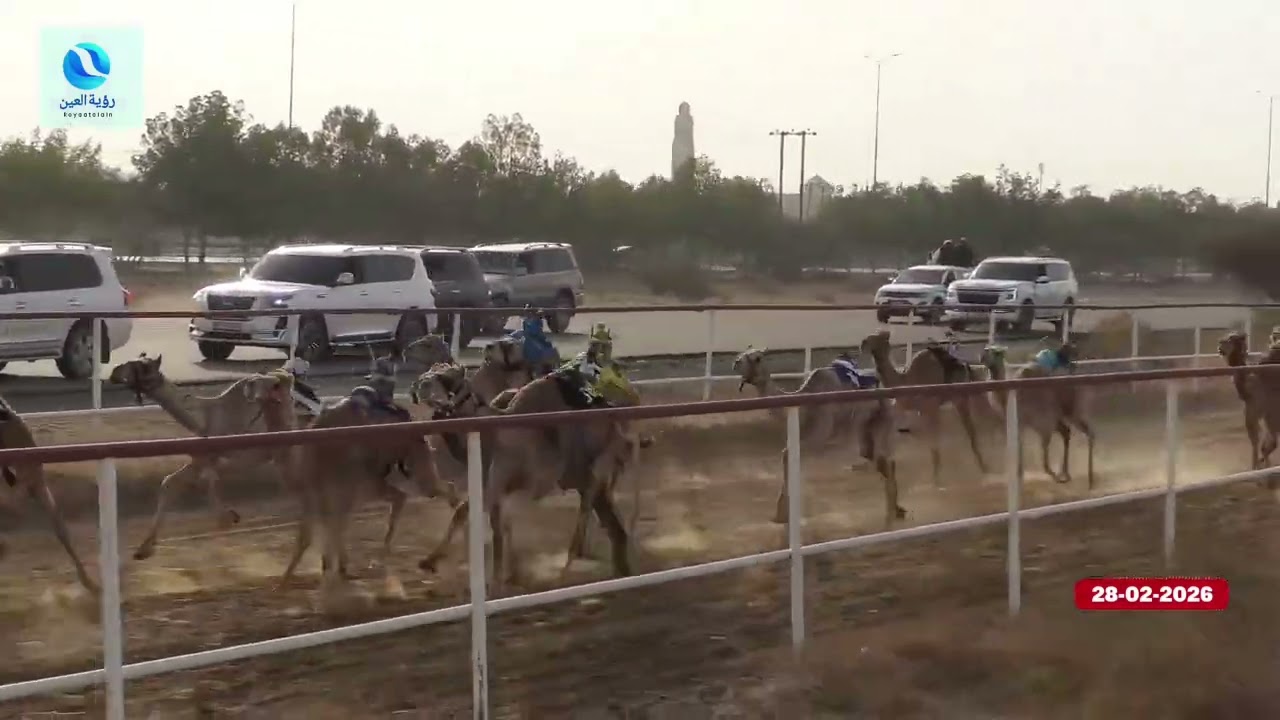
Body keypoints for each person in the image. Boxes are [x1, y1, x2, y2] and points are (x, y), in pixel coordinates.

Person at [511, 305, 559, 375]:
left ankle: (543, 366)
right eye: (526, 312)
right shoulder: (525, 321)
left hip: (535, 340)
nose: (527, 314)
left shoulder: (537, 321)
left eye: (529, 312)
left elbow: (536, 332)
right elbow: (525, 331)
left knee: (539, 349)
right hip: (528, 341)